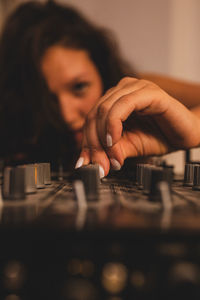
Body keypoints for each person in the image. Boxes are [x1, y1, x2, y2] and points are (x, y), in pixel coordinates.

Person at [0, 1, 200, 176]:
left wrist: (195, 129)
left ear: (102, 71)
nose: (66, 115)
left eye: (79, 87)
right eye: (45, 98)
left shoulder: (138, 92)